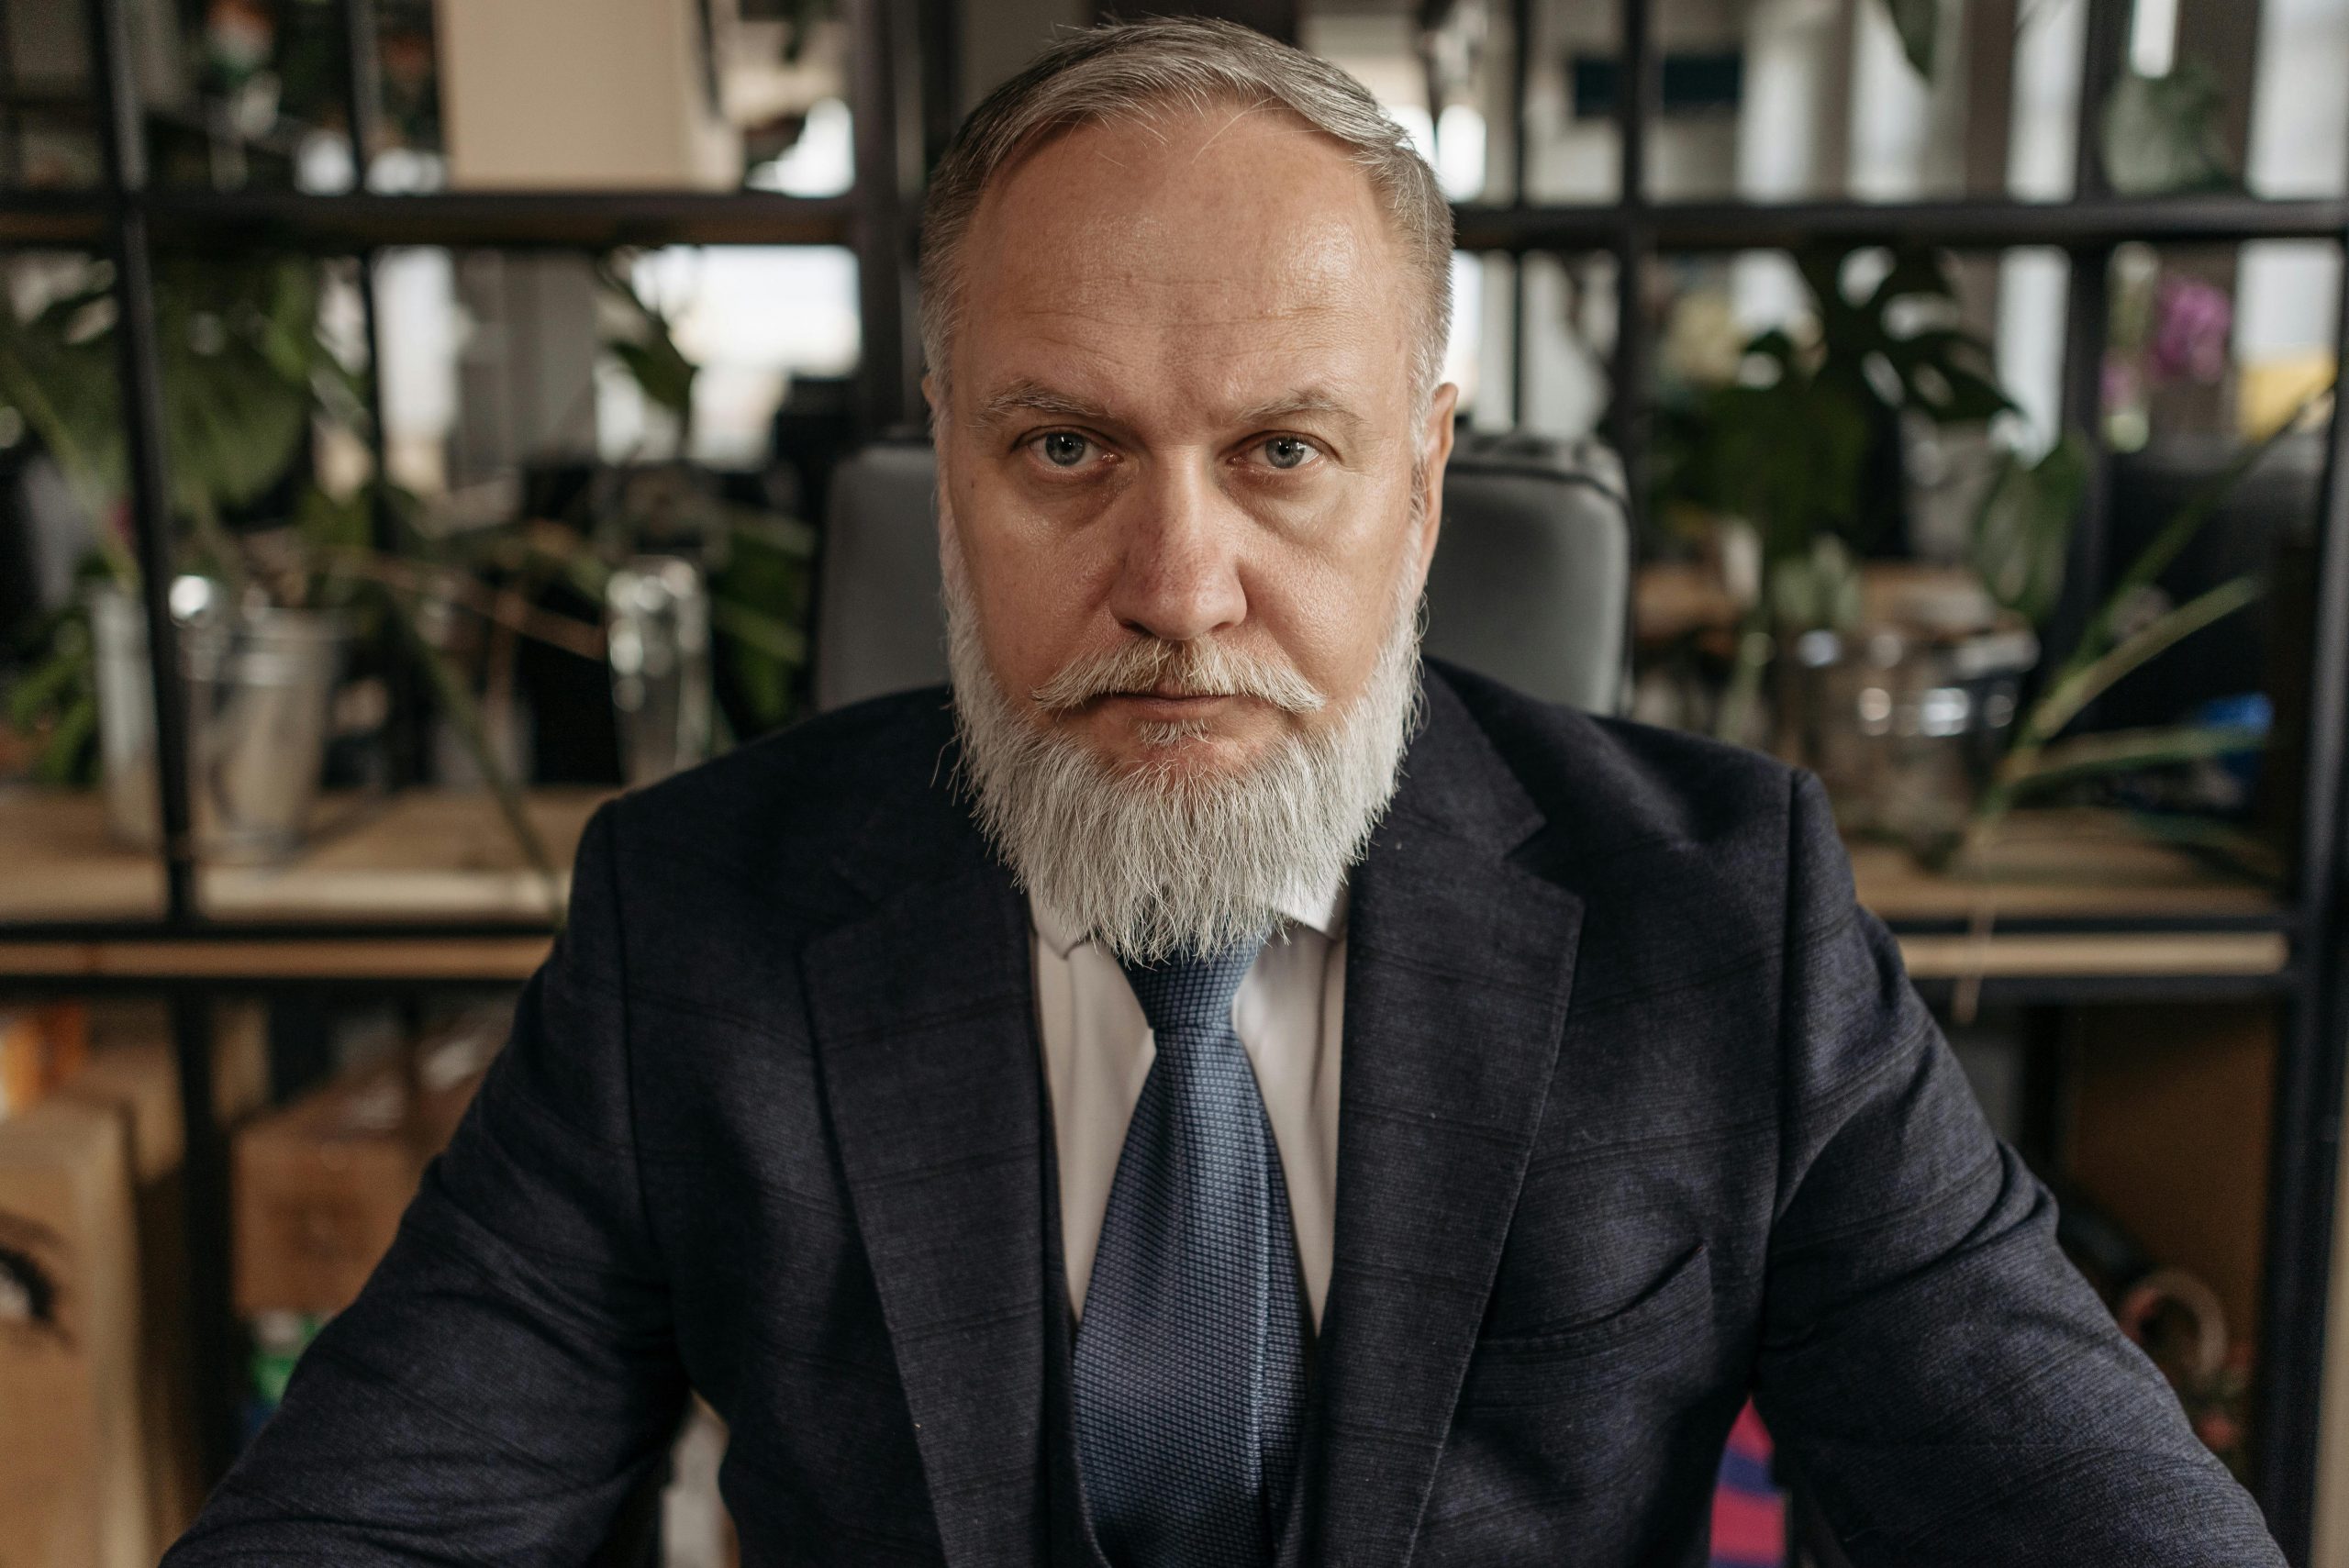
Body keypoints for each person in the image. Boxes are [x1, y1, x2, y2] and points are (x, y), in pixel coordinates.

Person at [166, 18, 2282, 1566]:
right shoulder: (692, 928)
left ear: (1421, 484)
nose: (1178, 591)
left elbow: (2075, 1504)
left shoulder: (1724, 921)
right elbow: (373, 1521)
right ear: (944, 463)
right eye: (1063, 449)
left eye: (1281, 451)